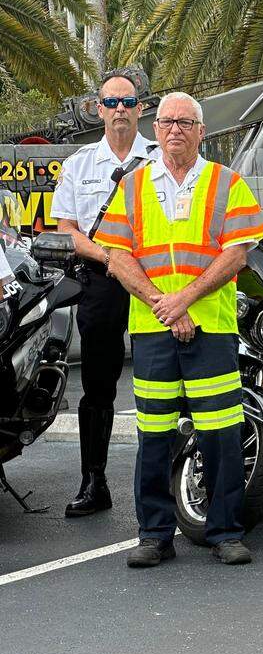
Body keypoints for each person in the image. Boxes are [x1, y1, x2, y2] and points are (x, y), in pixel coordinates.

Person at [93, 92, 263, 568]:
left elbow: (237, 254)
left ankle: (225, 532)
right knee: (154, 434)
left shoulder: (226, 182)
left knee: (221, 433)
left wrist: (184, 300)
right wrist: (163, 305)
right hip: (154, 327)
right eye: (167, 121)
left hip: (210, 327)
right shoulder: (132, 186)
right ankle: (154, 535)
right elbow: (117, 256)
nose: (175, 129)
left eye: (185, 122)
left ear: (201, 131)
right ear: (155, 130)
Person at [51, 71, 158, 517]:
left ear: (140, 109)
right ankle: (94, 482)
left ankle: (180, 482)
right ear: (98, 109)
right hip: (101, 279)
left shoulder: (158, 158)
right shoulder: (79, 164)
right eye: (111, 102)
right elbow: (67, 231)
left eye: (128, 102)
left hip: (156, 280)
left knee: (166, 382)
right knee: (97, 387)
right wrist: (110, 258)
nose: (119, 110)